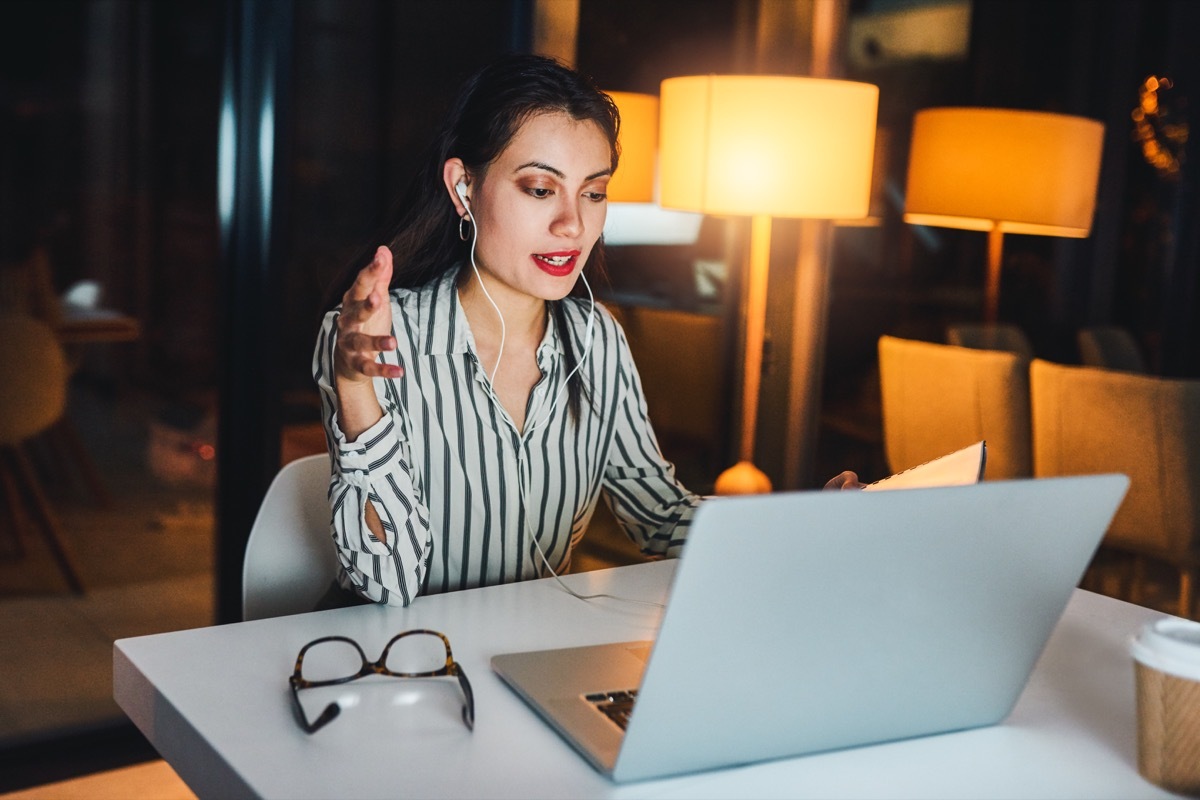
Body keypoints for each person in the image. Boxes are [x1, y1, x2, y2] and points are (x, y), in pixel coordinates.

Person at [314, 54, 861, 608]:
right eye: (539, 189)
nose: (572, 224)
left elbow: (660, 515)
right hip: (403, 666)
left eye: (593, 193)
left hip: (530, 660)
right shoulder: (368, 341)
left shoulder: (597, 339)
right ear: (462, 188)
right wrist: (357, 393)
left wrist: (804, 527)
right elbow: (387, 586)